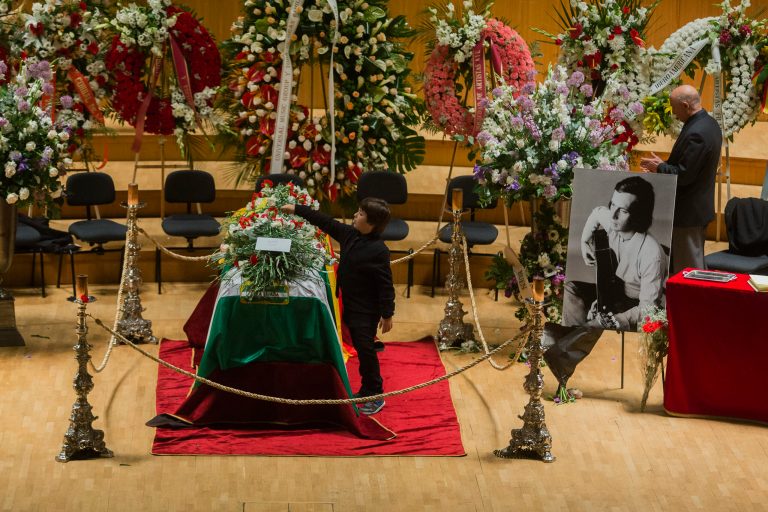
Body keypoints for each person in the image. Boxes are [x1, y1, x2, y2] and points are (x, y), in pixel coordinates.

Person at [281, 197, 395, 415]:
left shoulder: (379, 250)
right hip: (351, 305)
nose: (355, 215)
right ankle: (366, 389)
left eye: (361, 214)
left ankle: (375, 394)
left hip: (366, 310)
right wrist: (297, 208)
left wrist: (387, 314)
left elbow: (385, 285)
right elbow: (324, 221)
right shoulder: (349, 234)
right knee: (361, 348)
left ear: (371, 224)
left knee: (366, 350)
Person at [562, 175, 667, 332]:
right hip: (615, 293)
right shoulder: (614, 223)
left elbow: (648, 310)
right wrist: (584, 241)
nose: (613, 215)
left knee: (590, 328)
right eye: (613, 205)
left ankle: (580, 337)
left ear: (638, 215)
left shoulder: (651, 254)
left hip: (635, 306)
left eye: (623, 210)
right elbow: (598, 213)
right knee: (571, 289)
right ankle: (575, 336)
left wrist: (609, 319)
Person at [640, 84, 723, 275]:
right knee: (689, 263)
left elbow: (684, 175)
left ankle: (695, 297)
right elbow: (688, 164)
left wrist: (659, 167)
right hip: (695, 208)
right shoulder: (708, 123)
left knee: (689, 270)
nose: (674, 113)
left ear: (685, 105)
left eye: (674, 108)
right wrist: (663, 164)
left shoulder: (697, 132)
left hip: (688, 212)